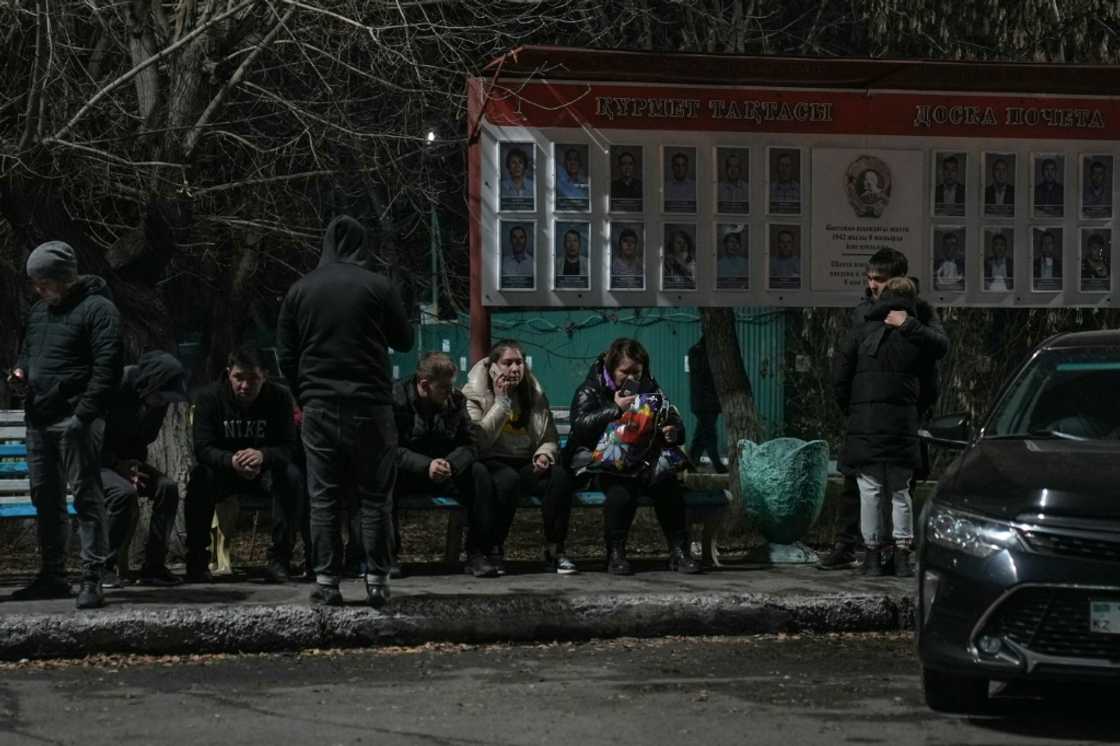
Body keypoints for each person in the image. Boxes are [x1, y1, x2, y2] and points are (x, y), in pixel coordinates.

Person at [277, 214, 415, 608]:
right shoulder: (377, 286)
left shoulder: (300, 290)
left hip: (319, 405)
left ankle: (326, 581)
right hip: (370, 404)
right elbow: (404, 340)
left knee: (323, 497)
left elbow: (286, 353)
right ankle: (376, 581)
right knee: (374, 498)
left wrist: (303, 394)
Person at [7, 241, 122, 609]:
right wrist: (20, 374)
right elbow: (27, 352)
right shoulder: (40, 312)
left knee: (87, 497)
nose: (38, 290)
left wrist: (83, 416)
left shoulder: (98, 310)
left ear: (63, 278)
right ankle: (52, 575)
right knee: (46, 498)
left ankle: (93, 576)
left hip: (75, 419)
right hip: (39, 418)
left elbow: (107, 370)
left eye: (43, 282)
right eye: (35, 283)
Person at [818, 248, 946, 572]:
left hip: (901, 415)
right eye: (869, 278)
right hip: (870, 415)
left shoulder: (919, 311)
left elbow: (937, 351)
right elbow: (845, 367)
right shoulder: (863, 311)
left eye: (880, 280)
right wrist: (855, 407)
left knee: (891, 487)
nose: (873, 285)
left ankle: (883, 550)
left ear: (896, 280)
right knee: (863, 486)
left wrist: (908, 326)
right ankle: (855, 545)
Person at [565, 338, 701, 575]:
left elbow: (672, 419)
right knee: (621, 493)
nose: (630, 378)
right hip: (604, 464)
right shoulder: (591, 389)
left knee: (669, 487)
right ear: (611, 368)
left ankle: (679, 552)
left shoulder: (651, 388)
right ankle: (615, 555)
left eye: (636, 372)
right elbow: (580, 428)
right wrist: (614, 409)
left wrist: (673, 432)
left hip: (644, 462)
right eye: (624, 371)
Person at [186, 345, 302, 584]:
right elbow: (203, 448)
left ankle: (280, 560)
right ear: (229, 373)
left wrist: (262, 456)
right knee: (200, 477)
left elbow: (289, 447)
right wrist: (232, 460)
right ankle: (197, 560)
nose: (246, 386)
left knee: (292, 477)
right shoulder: (209, 398)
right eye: (239, 378)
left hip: (265, 471)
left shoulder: (279, 397)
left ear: (265, 376)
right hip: (225, 471)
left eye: (253, 379)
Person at [462, 340, 576, 575]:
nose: (515, 369)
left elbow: (549, 437)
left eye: (519, 362)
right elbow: (479, 441)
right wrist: (501, 402)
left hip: (525, 461)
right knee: (507, 480)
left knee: (559, 477)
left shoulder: (534, 394)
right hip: (491, 459)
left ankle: (555, 551)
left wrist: (544, 454)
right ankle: (493, 548)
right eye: (507, 363)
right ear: (492, 367)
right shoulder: (474, 393)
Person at [392, 353, 498, 577]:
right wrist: (425, 465)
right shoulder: (396, 399)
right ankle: (387, 555)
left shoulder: (455, 401)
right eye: (443, 387)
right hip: (408, 471)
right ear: (424, 384)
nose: (449, 392)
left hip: (446, 470)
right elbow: (387, 449)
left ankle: (477, 554)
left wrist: (451, 464)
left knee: (479, 474)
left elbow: (470, 444)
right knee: (383, 476)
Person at [100, 351, 189, 588]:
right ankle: (102, 567)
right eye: (161, 396)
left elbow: (144, 438)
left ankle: (154, 567)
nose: (163, 403)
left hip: (126, 464)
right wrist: (117, 465)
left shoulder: (156, 402)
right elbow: (89, 437)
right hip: (94, 463)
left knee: (167, 488)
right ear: (150, 383)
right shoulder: (113, 386)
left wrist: (133, 465)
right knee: (123, 493)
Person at [687, 336, 730, 474]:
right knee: (710, 434)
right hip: (704, 403)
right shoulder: (698, 353)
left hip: (707, 403)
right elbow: (705, 375)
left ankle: (691, 462)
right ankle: (717, 465)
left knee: (702, 433)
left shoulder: (701, 352)